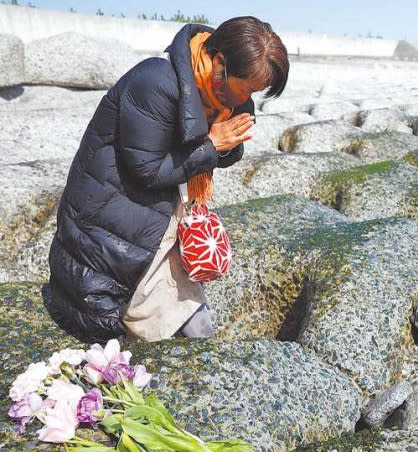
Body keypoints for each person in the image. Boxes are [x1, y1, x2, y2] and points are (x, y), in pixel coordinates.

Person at [42, 17, 289, 343]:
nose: (247, 99)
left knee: (192, 328)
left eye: (256, 93)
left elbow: (228, 154)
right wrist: (213, 144)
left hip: (160, 213)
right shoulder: (155, 81)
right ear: (220, 63)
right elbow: (146, 170)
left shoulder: (223, 96)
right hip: (112, 218)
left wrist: (223, 143)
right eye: (246, 89)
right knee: (144, 328)